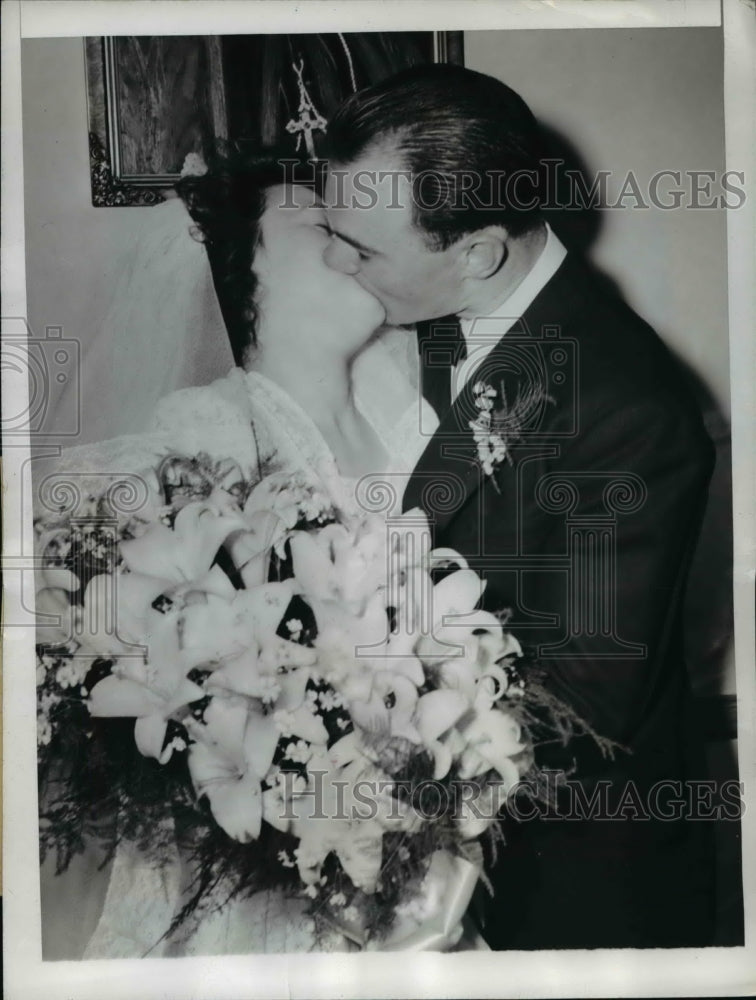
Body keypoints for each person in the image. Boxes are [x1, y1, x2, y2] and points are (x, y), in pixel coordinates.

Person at [321, 63, 717, 949]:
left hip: (562, 875)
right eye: (333, 229)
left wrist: (332, 727)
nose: (333, 262)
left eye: (362, 248)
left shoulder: (632, 413)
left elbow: (584, 703)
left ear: (479, 254)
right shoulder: (434, 309)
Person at [38, 150, 451, 958]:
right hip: (255, 876)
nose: (352, 236)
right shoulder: (202, 437)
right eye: (317, 221)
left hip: (421, 842)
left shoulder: (422, 428)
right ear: (241, 274)